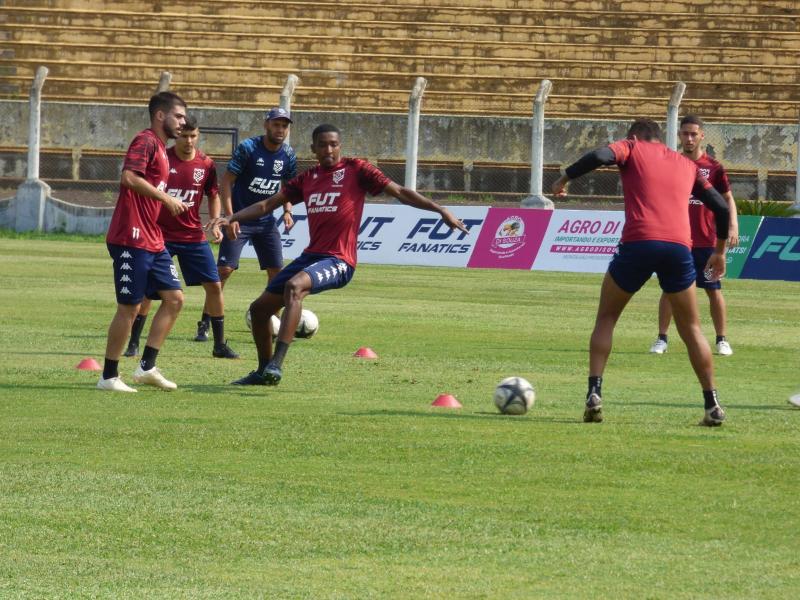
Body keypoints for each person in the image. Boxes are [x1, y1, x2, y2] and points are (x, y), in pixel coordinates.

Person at [206, 123, 468, 386]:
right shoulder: (307, 179)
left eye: (334, 144)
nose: (329, 149)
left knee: (295, 286)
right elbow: (266, 204)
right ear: (314, 149)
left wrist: (440, 210)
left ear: (340, 146)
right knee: (260, 310)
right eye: (323, 145)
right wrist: (232, 217)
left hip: (340, 260)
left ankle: (277, 363)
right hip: (312, 256)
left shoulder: (357, 170)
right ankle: (263, 371)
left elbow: (400, 192)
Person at [551, 119, 731, 426]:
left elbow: (598, 157)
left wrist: (564, 178)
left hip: (638, 243)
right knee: (691, 329)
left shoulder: (630, 148)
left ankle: (594, 393)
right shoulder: (686, 164)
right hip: (678, 248)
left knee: (606, 317)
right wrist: (720, 250)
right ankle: (712, 404)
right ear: (662, 139)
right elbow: (722, 207)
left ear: (633, 136)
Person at [123, 114, 239, 360]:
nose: (188, 141)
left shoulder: (206, 164)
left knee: (215, 286)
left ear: (198, 136)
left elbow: (213, 193)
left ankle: (219, 344)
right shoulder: (163, 158)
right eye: (184, 136)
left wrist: (215, 222)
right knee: (147, 293)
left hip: (192, 235)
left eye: (193, 136)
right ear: (178, 136)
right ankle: (133, 342)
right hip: (159, 235)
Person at [97, 91, 188, 392]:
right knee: (130, 307)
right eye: (178, 116)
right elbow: (129, 178)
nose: (182, 123)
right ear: (160, 115)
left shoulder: (162, 149)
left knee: (175, 299)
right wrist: (166, 197)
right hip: (130, 237)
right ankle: (108, 376)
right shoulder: (146, 140)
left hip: (152, 238)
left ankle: (147, 367)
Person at [201, 107, 297, 342]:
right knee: (223, 271)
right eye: (276, 125)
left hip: (266, 222)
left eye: (284, 126)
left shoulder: (288, 154)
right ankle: (204, 323)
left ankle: (272, 322)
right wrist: (231, 217)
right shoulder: (248, 148)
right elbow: (226, 182)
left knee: (277, 274)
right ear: (267, 125)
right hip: (240, 219)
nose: (280, 130)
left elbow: (290, 186)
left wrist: (287, 210)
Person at [649, 115, 739, 356]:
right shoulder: (671, 163)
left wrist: (733, 226)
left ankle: (722, 339)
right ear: (679, 135)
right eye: (684, 133)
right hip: (677, 239)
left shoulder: (714, 168)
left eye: (693, 134)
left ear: (701, 136)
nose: (688, 138)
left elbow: (727, 199)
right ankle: (661, 338)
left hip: (707, 241)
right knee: (669, 290)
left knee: (713, 289)